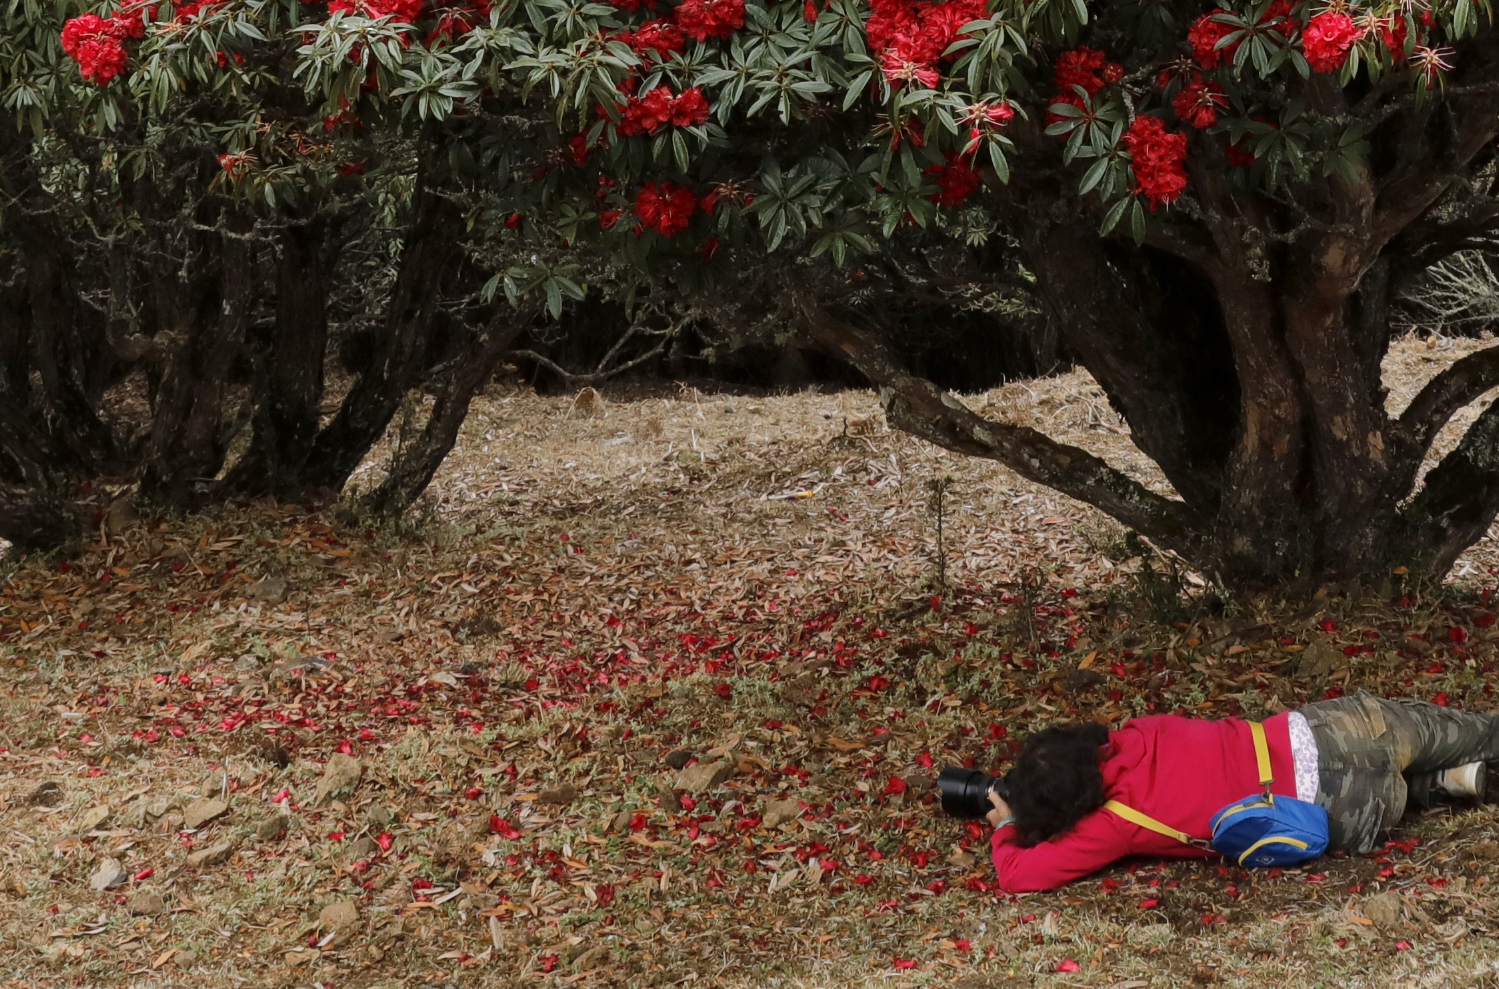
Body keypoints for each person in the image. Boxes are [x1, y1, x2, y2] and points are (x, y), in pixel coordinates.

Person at [984, 693, 1498, 893]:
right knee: (1480, 731)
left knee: (1389, 797)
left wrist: (1008, 825)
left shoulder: (1113, 824)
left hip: (1342, 805)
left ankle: (1438, 787)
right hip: (1343, 728)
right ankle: (1448, 773)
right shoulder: (1141, 732)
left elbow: (1017, 876)